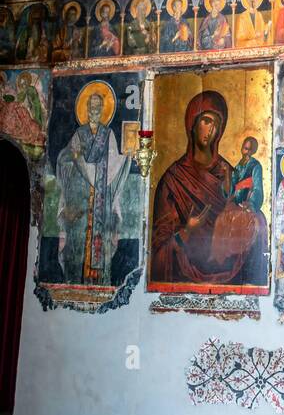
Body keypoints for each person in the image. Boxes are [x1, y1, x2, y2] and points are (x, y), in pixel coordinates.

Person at [150, 90, 268, 287]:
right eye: (206, 121)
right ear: (192, 124)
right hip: (184, 275)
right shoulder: (172, 180)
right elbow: (158, 249)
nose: (211, 129)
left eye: (216, 124)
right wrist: (187, 231)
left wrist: (250, 215)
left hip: (230, 270)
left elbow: (242, 207)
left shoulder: (229, 172)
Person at [56, 84, 132, 285]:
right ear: (87, 108)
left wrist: (127, 157)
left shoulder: (108, 135)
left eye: (99, 106)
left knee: (99, 241)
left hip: (100, 199)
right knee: (78, 240)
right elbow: (64, 159)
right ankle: (73, 280)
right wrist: (72, 158)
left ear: (103, 110)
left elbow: (116, 162)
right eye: (92, 105)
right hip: (79, 200)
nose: (95, 109)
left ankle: (97, 280)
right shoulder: (79, 134)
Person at [230, 136, 264, 211]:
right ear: (242, 148)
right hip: (235, 204)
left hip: (247, 205)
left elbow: (257, 188)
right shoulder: (238, 166)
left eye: (250, 150)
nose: (247, 153)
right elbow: (233, 186)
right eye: (245, 149)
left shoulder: (255, 166)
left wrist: (251, 203)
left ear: (253, 151)